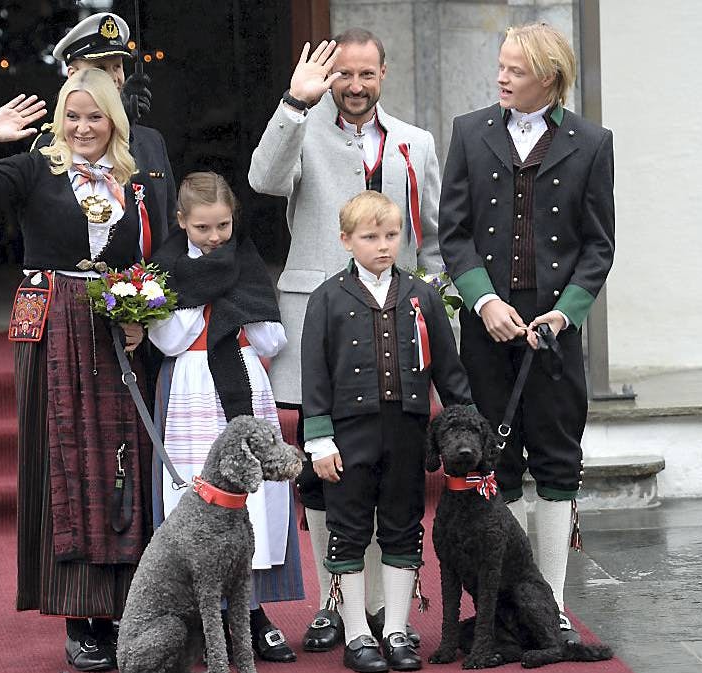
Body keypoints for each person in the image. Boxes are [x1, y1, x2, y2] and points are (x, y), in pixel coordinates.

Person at [0, 68, 169, 672]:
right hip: (54, 327)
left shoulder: (137, 176)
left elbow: (161, 246)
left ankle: (129, 605)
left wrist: (145, 315)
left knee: (125, 460)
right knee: (66, 460)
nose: (82, 127)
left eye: (94, 116)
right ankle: (80, 617)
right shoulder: (32, 168)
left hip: (119, 324)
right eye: (72, 116)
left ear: (112, 120)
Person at [248, 29, 441, 652]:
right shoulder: (301, 126)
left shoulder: (416, 142)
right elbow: (261, 179)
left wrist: (439, 312)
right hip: (317, 311)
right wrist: (294, 103)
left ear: (384, 73)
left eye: (366, 75)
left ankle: (385, 608)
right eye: (343, 76)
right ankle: (337, 599)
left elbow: (431, 236)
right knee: (324, 467)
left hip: (397, 318)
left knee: (388, 467)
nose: (354, 87)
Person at [437, 22, 615, 643]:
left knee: (559, 462)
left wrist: (566, 312)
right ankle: (506, 601)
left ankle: (554, 602)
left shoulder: (592, 142)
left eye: (515, 69)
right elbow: (453, 232)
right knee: (496, 461)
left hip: (554, 332)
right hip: (487, 327)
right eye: (501, 65)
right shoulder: (469, 131)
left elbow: (598, 246)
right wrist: (482, 301)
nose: (501, 76)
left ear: (549, 77)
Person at [301, 191, 473, 672]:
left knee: (402, 526)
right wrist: (318, 439)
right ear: (345, 240)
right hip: (347, 434)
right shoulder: (327, 298)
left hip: (407, 431)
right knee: (349, 529)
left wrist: (468, 424)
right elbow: (313, 375)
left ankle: (396, 629)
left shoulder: (422, 295)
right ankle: (357, 633)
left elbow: (450, 372)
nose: (383, 245)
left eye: (392, 235)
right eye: (370, 237)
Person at [147, 172, 305, 663]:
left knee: (252, 499)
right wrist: (213, 298)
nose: (214, 238)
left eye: (222, 226)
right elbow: (168, 339)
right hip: (190, 387)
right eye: (202, 228)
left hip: (241, 377)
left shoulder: (247, 260)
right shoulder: (167, 268)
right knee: (196, 497)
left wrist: (232, 310)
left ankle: (253, 614)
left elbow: (273, 339)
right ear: (181, 222)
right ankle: (199, 617)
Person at [49, 11, 177, 258]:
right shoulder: (51, 145)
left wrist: (124, 128)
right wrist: (120, 127)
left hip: (147, 290)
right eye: (100, 69)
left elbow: (169, 223)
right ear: (73, 76)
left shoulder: (151, 141)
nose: (115, 79)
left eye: (117, 66)